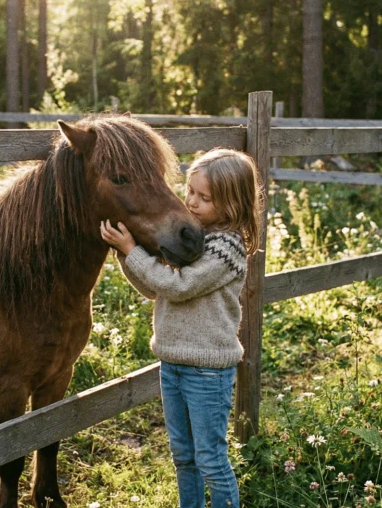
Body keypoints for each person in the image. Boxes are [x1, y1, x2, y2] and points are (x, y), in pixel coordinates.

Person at [100, 147, 262, 508]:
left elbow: (178, 286)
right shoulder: (192, 239)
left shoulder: (226, 247)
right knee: (183, 456)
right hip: (172, 365)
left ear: (232, 204)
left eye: (205, 198)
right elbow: (154, 288)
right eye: (190, 191)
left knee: (211, 460)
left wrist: (134, 251)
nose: (192, 202)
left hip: (207, 372)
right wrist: (126, 254)